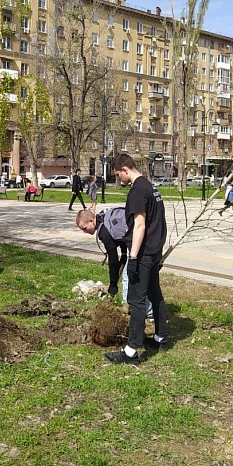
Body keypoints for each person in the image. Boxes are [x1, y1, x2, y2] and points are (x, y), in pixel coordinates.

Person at [104, 153, 169, 365]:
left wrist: (132, 258)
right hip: (154, 250)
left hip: (143, 254)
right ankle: (160, 337)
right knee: (154, 293)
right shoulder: (151, 187)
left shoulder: (137, 191)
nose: (119, 179)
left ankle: (131, 351)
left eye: (118, 175)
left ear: (125, 169)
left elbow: (140, 225)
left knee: (137, 300)